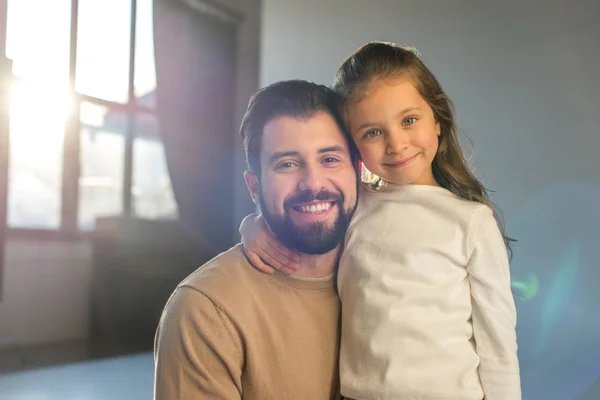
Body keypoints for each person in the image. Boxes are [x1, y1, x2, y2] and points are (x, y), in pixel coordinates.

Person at [240, 42, 521, 400]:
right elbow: (305, 222)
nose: (397, 143)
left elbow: (497, 345)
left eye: (409, 120)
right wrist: (253, 226)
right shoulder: (356, 206)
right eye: (372, 132)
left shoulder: (470, 223)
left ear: (437, 120)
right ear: (354, 147)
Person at [153, 80, 360, 400]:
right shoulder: (205, 310)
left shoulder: (391, 265)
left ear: (358, 171)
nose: (313, 183)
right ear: (254, 187)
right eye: (287, 164)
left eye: (330, 159)